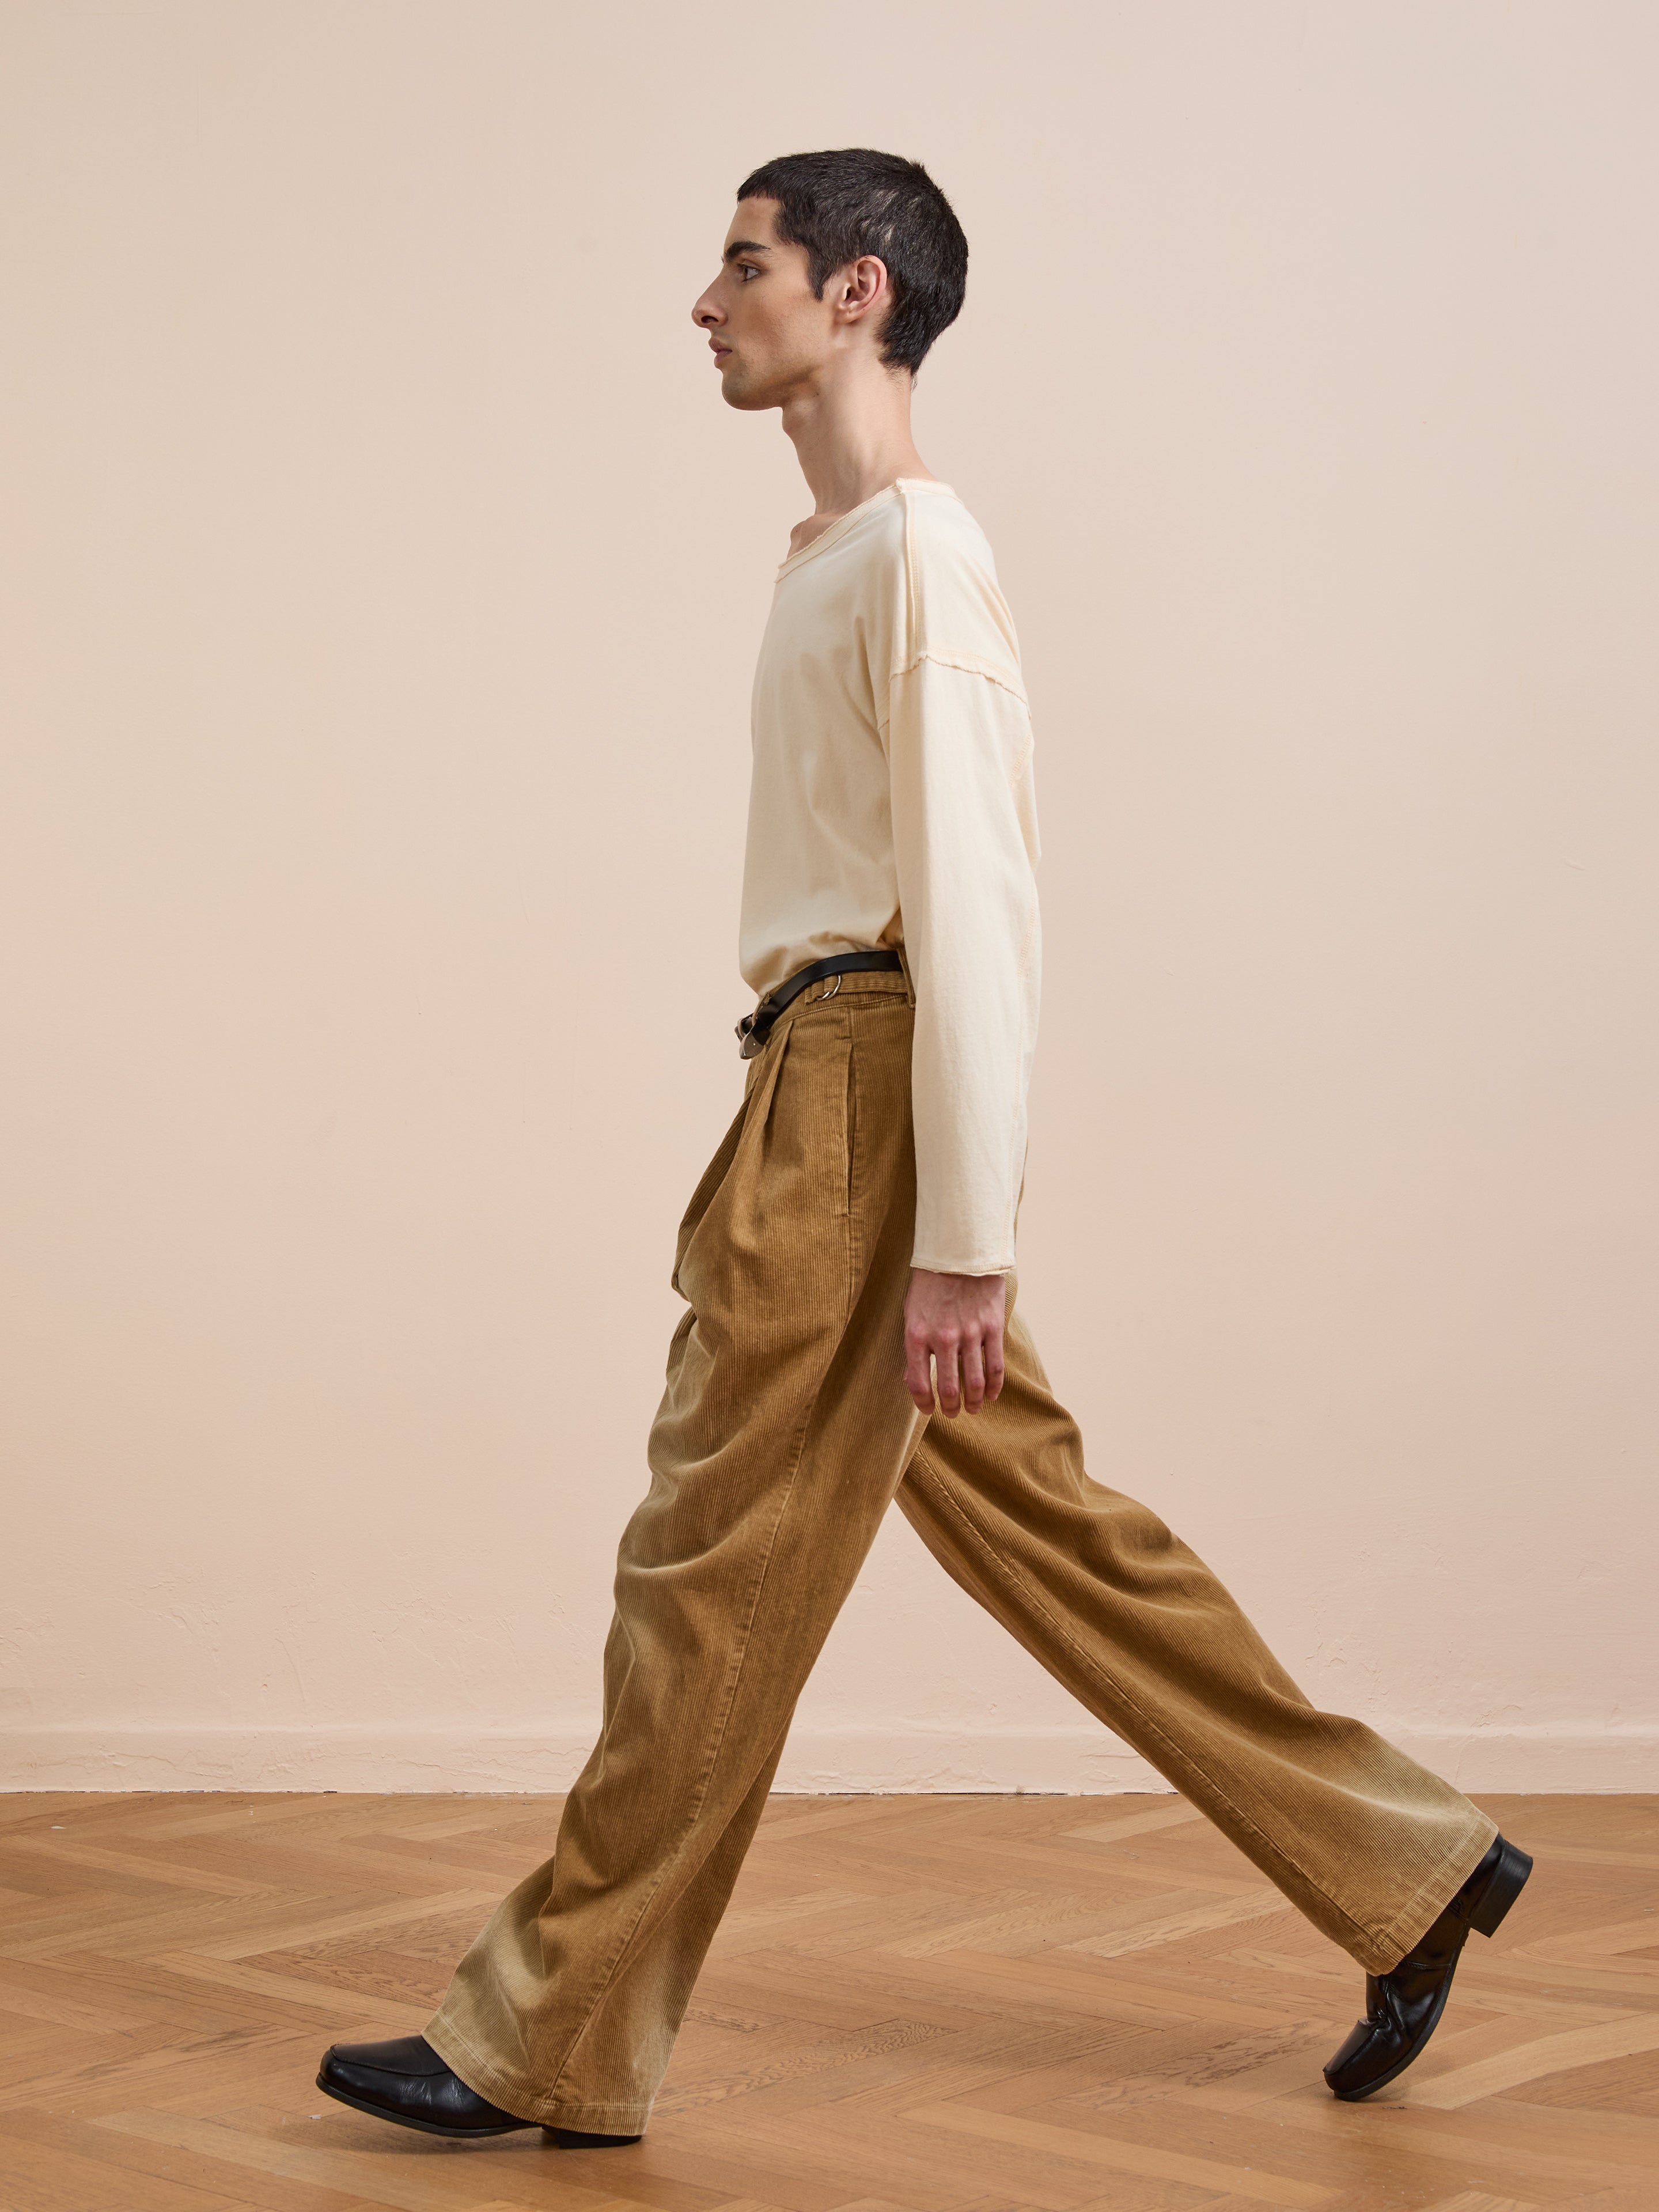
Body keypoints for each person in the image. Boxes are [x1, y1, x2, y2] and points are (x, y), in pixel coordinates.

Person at [316, 146, 1532, 2146]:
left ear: (859, 292)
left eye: (744, 266)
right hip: (833, 1086)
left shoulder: (915, 559)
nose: (706, 305)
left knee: (702, 1574)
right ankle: (1407, 1865)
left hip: (864, 1096)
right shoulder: (831, 555)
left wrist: (963, 1235)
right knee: (1041, 1525)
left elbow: (984, 907)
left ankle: (543, 2033)